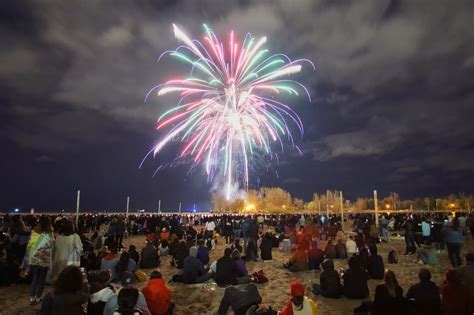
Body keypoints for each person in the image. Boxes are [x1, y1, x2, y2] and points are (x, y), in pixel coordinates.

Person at [27, 215, 54, 305]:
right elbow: (52, 246)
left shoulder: (34, 231)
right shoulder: (49, 233)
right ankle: (38, 297)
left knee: (35, 278)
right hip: (44, 259)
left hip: (34, 258)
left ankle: (31, 297)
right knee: (42, 279)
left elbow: (30, 244)